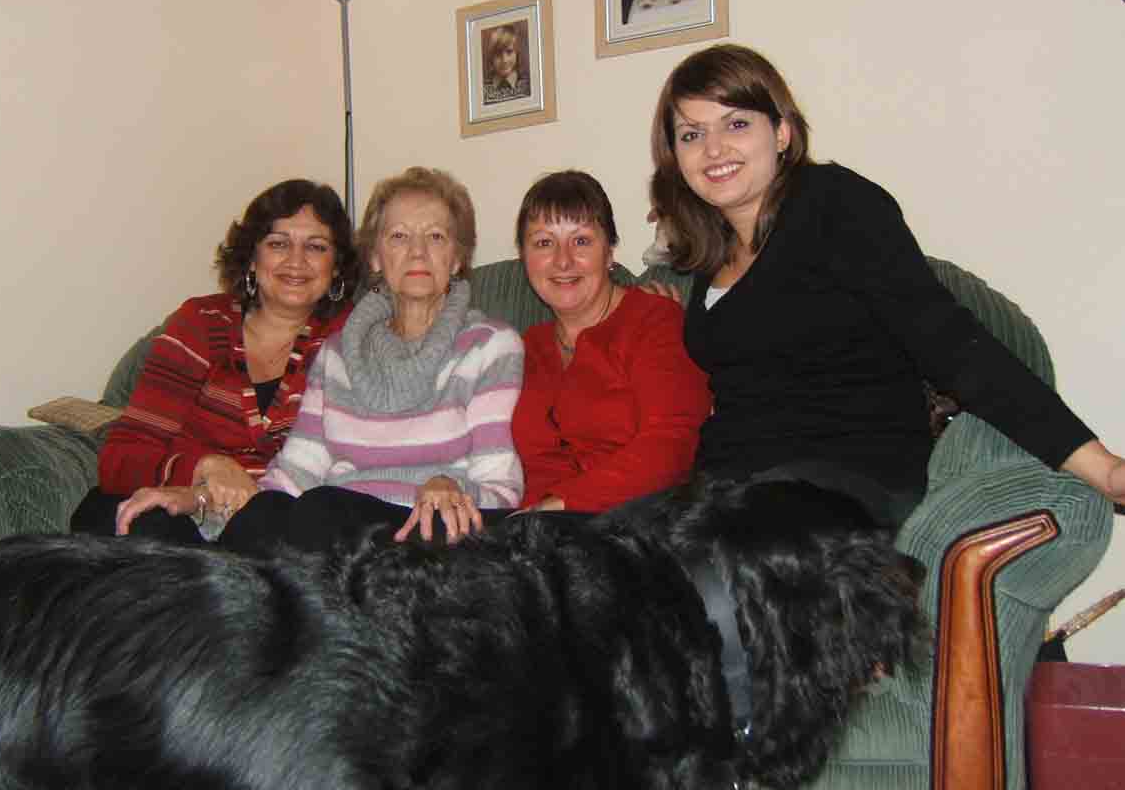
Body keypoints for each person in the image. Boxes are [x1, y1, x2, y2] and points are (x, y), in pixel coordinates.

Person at [647, 43, 1125, 527]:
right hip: (728, 488)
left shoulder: (832, 204)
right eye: (691, 133)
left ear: (783, 132)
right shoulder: (708, 257)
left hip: (844, 480)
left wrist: (1103, 469)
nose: (713, 149)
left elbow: (951, 343)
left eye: (737, 123)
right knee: (587, 557)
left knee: (716, 563)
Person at [227, 166, 524, 552]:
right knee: (260, 519)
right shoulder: (336, 355)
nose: (417, 251)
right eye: (399, 236)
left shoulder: (491, 345)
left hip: (431, 531)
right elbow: (295, 473)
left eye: (435, 237)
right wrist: (210, 506)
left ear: (457, 258)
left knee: (323, 508)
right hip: (335, 528)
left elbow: (501, 484)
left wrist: (453, 487)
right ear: (376, 258)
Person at [69, 179, 358, 544]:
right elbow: (122, 458)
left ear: (336, 267)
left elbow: (355, 462)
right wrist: (206, 466)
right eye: (278, 243)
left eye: (316, 247)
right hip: (175, 513)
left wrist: (226, 491)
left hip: (276, 523)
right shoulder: (202, 322)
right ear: (253, 259)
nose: (296, 261)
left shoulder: (352, 337)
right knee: (130, 520)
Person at [511, 170, 711, 513]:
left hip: (634, 527)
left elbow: (671, 445)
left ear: (609, 252)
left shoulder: (655, 321)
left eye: (582, 241)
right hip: (532, 535)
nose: (563, 260)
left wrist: (559, 506)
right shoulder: (523, 347)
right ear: (524, 258)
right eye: (544, 242)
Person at [483, 25, 531, 105]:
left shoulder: (528, 86)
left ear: (517, 53)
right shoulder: (482, 90)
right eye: (498, 54)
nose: (504, 60)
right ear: (491, 57)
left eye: (509, 52)